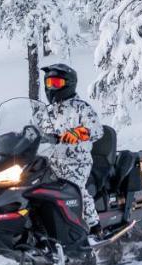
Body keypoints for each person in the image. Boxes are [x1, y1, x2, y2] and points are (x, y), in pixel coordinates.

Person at [33, 62, 103, 235]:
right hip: (50, 161)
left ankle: (94, 228)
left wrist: (79, 132)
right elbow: (34, 129)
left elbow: (97, 130)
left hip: (76, 161)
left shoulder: (81, 108)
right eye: (49, 83)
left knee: (74, 189)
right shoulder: (46, 112)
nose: (51, 88)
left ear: (69, 84)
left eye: (56, 83)